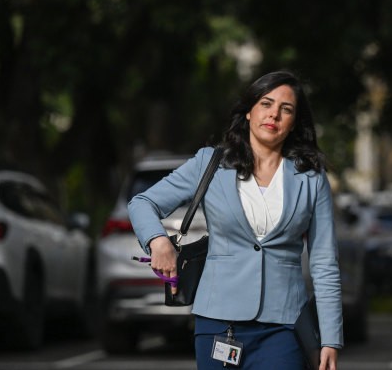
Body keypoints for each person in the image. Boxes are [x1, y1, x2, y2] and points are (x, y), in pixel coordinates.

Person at [128, 71, 343, 369]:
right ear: (248, 111)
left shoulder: (312, 178)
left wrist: (330, 338)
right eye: (266, 104)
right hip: (218, 322)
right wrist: (159, 241)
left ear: (295, 122)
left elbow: (324, 262)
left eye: (286, 109)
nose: (274, 115)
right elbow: (143, 202)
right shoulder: (211, 163)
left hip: (284, 326)